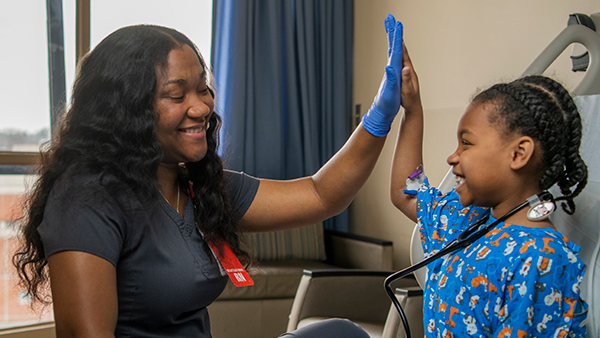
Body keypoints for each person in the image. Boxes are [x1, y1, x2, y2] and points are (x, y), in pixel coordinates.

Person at [12, 15, 403, 338]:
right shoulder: (87, 200)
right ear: (126, 111)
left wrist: (379, 117)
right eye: (177, 95)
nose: (201, 107)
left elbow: (321, 196)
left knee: (339, 333)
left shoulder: (199, 186)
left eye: (203, 89)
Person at [390, 45, 589, 336]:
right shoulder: (469, 221)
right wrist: (412, 109)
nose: (452, 157)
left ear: (519, 153)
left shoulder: (541, 259)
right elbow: (406, 191)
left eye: (466, 144)